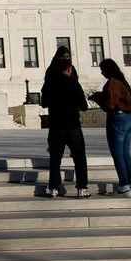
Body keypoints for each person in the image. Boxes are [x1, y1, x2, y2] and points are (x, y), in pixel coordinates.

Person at [40, 58, 90, 198]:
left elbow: (44, 104)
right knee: (79, 157)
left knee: (55, 158)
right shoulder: (74, 84)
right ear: (69, 69)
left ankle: (54, 187)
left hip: (55, 126)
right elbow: (84, 106)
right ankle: (82, 188)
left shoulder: (49, 84)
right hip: (72, 125)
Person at [89, 58, 131, 197]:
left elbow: (109, 105)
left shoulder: (112, 82)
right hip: (129, 118)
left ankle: (124, 186)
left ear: (108, 70)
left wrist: (97, 99)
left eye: (102, 70)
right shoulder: (122, 82)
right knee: (125, 154)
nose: (101, 73)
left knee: (118, 155)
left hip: (118, 118)